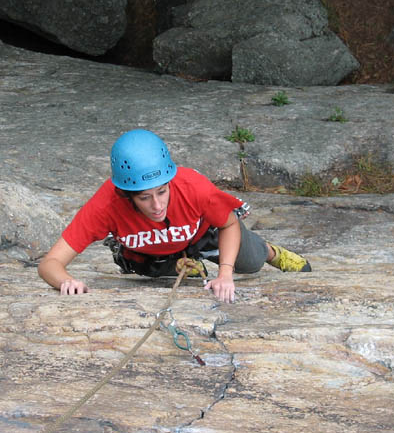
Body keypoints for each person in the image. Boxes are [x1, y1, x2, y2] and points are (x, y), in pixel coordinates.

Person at [38, 129, 311, 303]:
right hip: (151, 254)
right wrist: (66, 281)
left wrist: (226, 274)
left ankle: (269, 251)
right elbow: (50, 263)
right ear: (126, 195)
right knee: (171, 278)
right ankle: (189, 265)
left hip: (204, 234)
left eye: (162, 192)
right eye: (144, 197)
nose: (157, 205)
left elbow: (228, 223)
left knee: (250, 262)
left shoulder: (193, 187)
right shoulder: (106, 205)